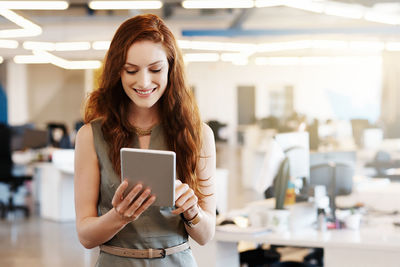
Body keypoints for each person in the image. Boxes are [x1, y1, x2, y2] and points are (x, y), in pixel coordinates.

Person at [74, 14, 216, 266]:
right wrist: (119, 216)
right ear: (117, 70)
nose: (144, 82)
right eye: (131, 70)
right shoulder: (91, 136)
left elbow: (206, 235)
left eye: (155, 69)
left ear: (171, 69)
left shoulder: (199, 134)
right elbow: (86, 236)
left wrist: (192, 212)